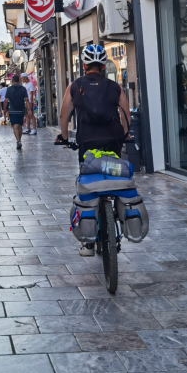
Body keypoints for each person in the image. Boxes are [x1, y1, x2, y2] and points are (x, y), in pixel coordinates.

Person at [58, 45, 130, 256]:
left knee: (88, 178)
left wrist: (63, 137)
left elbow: (64, 115)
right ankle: (115, 213)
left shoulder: (74, 86)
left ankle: (88, 242)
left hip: (87, 140)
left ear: (83, 65)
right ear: (103, 65)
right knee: (114, 173)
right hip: (113, 138)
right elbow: (125, 114)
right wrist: (124, 135)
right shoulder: (115, 87)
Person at [4, 74, 30, 150]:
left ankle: (18, 141)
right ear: (18, 81)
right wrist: (29, 109)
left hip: (12, 110)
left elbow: (5, 100)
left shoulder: (9, 89)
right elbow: (26, 100)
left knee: (15, 126)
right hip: (21, 110)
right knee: (19, 125)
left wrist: (5, 109)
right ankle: (19, 140)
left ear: (12, 81)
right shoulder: (23, 89)